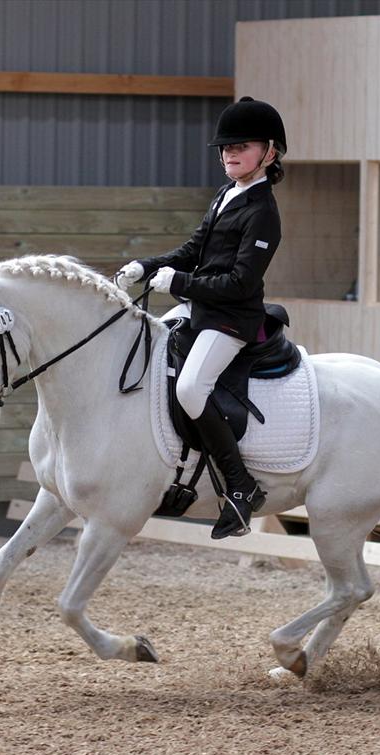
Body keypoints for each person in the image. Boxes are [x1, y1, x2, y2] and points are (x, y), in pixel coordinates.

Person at [116, 96, 285, 540]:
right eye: (226, 147)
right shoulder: (227, 193)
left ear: (269, 152)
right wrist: (147, 267)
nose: (230, 153)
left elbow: (240, 283)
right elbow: (193, 252)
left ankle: (241, 487)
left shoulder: (263, 212)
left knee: (191, 387)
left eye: (242, 146)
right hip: (199, 309)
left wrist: (179, 284)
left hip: (230, 319)